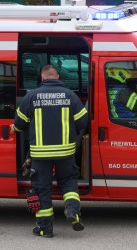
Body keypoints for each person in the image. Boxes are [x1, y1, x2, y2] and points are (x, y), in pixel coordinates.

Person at [11, 65, 88, 238]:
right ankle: (73, 212)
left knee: (42, 189)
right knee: (68, 182)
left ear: (43, 77)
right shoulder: (70, 95)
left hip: (40, 154)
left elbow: (19, 124)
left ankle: (45, 228)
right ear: (58, 76)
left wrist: (14, 128)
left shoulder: (31, 96)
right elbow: (83, 121)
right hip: (65, 152)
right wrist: (72, 133)